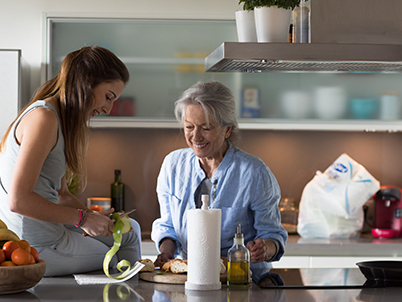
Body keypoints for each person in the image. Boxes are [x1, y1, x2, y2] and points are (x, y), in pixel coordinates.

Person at [0, 46, 141, 276]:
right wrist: (83, 219)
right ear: (86, 82)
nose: (108, 109)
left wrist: (91, 217)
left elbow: (62, 194)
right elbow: (18, 201)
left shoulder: (55, 119)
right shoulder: (44, 119)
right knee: (116, 254)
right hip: (39, 247)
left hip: (49, 235)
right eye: (108, 97)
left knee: (130, 228)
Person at [151, 81, 288, 285]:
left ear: (227, 130)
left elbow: (272, 234)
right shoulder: (173, 165)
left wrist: (265, 248)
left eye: (206, 128)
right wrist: (166, 253)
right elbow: (168, 225)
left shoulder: (254, 172)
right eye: (189, 127)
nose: (195, 137)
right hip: (187, 279)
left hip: (241, 279)